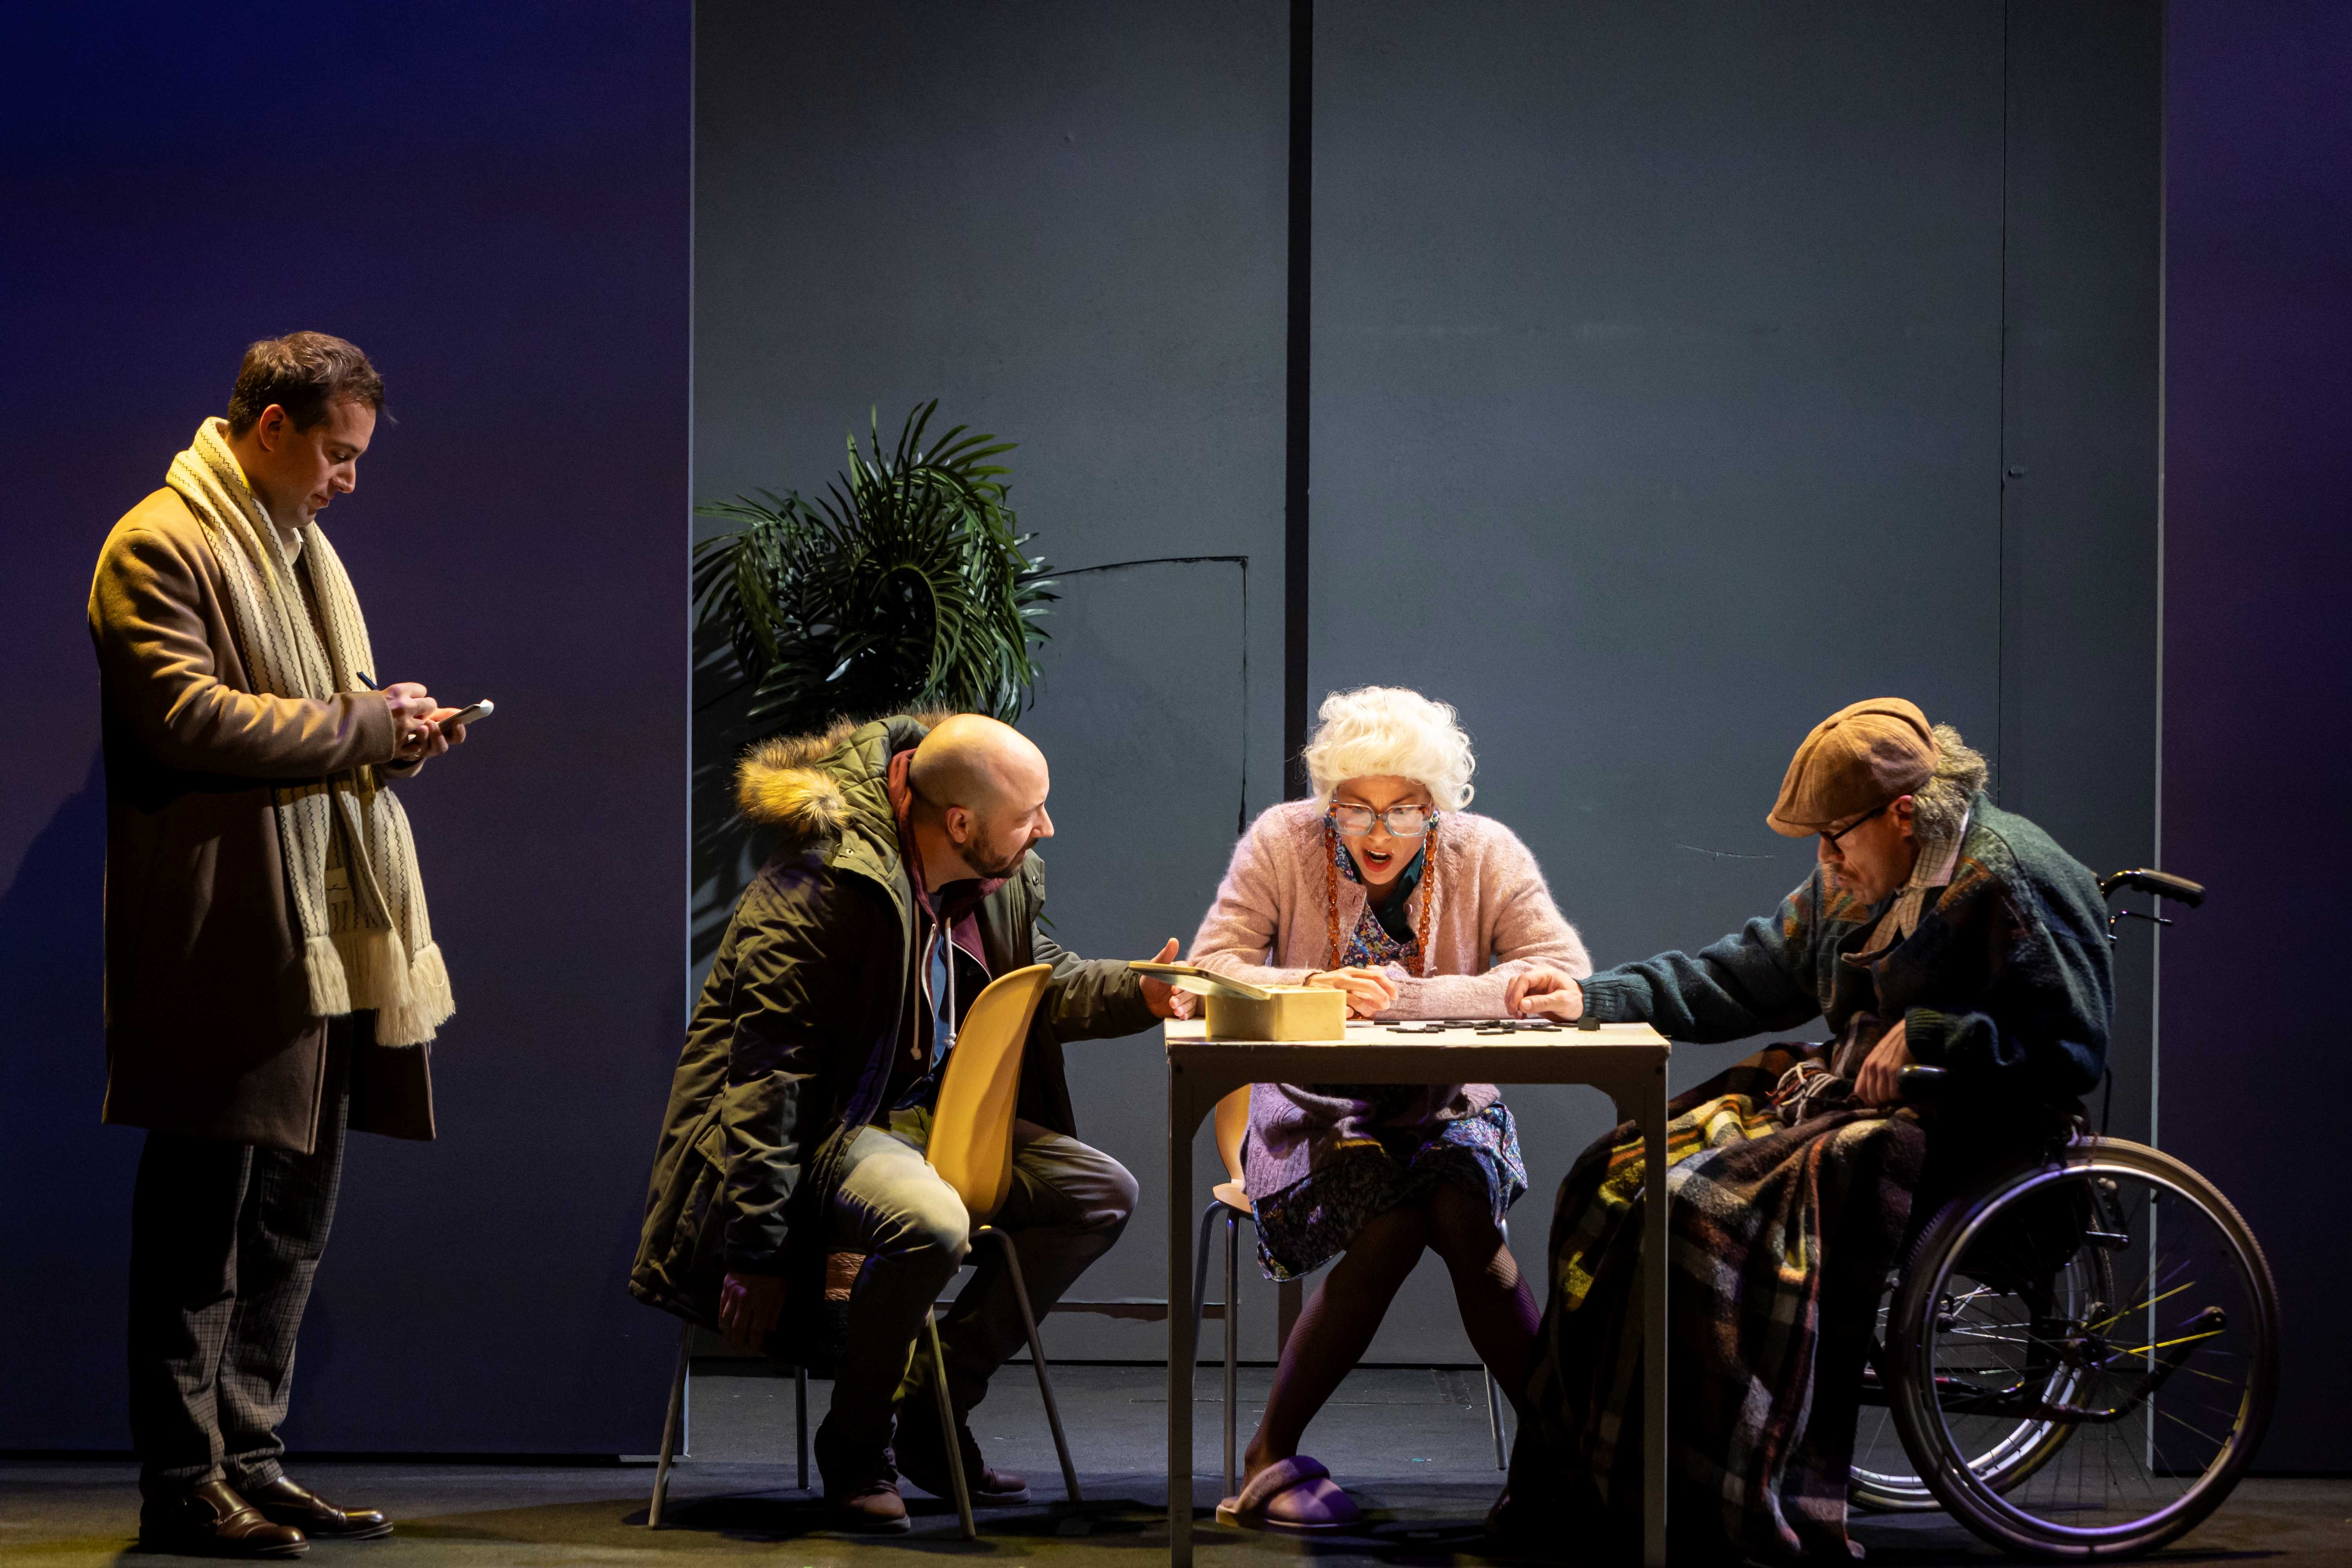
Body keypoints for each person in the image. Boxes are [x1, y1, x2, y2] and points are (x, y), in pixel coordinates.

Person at [1502, 698, 2112, 1561]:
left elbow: (2073, 1047)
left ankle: (1714, 1497)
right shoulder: (1857, 878)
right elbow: (1741, 975)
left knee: (1698, 1208)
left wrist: (1937, 1033)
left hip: (1980, 1129)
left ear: (1904, 813)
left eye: (1834, 838)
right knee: (1616, 1174)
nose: (1825, 861)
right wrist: (1595, 997)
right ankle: (1612, 1485)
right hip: (1864, 1100)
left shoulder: (2011, 876)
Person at [88, 332, 472, 1557]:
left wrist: (397, 739)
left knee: (287, 1226)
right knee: (198, 1231)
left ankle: (251, 1460)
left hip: (319, 936)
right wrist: (362, 724)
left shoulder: (300, 549)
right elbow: (187, 717)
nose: (348, 480)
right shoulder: (160, 544)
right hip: (229, 940)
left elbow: (316, 726)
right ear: (271, 429)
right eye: (336, 454)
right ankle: (184, 1481)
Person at [631, 711, 1188, 1532]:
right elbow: (768, 1080)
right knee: (933, 1222)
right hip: (833, 1125)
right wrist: (756, 1250)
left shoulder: (993, 874)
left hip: (931, 1114)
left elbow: (1038, 976)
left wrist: (1138, 991)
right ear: (960, 823)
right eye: (1030, 814)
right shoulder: (819, 886)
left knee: (1101, 1192)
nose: (1046, 828)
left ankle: (934, 1405)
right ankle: (858, 1445)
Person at [1186, 686, 1590, 1530]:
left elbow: (1558, 973)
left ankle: (1562, 1459)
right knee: (1396, 1220)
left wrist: (1405, 998)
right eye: (1355, 807)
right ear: (1328, 799)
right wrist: (1312, 984)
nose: (1377, 833)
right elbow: (1212, 967)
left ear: (1436, 805)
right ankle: (1269, 1456)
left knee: (1459, 1207)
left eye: (1403, 809)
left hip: (1447, 1106)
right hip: (1313, 1110)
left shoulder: (1484, 850)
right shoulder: (1284, 839)